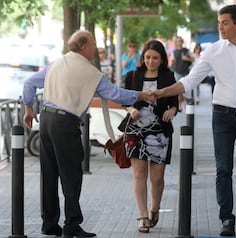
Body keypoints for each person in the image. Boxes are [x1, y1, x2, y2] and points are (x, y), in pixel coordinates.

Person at [153, 5, 236, 236]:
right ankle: (226, 218)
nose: (220, 27)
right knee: (224, 169)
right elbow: (190, 81)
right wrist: (163, 92)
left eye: (224, 22)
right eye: (219, 22)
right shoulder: (213, 51)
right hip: (222, 115)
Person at [21, 30, 155, 238]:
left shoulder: (56, 63)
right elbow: (116, 94)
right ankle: (72, 225)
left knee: (49, 174)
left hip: (46, 119)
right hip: (65, 123)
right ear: (84, 47)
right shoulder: (89, 72)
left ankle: (49, 224)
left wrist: (28, 108)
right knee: (72, 175)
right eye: (93, 44)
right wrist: (142, 95)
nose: (95, 48)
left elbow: (29, 83)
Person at [122, 40, 178, 233]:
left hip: (159, 131)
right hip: (135, 130)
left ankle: (155, 209)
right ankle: (143, 216)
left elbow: (174, 103)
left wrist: (172, 111)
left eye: (155, 58)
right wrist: (130, 109)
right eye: (147, 57)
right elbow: (124, 99)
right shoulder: (132, 75)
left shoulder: (168, 77)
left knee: (157, 177)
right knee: (139, 174)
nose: (151, 61)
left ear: (161, 59)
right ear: (142, 57)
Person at [171, 36, 194, 110]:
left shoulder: (186, 50)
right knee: (178, 90)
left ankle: (186, 103)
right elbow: (172, 61)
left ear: (182, 42)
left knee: (186, 88)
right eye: (178, 41)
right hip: (177, 72)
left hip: (185, 72)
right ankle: (180, 103)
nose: (179, 42)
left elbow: (193, 59)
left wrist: (186, 59)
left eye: (180, 41)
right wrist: (172, 62)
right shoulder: (174, 52)